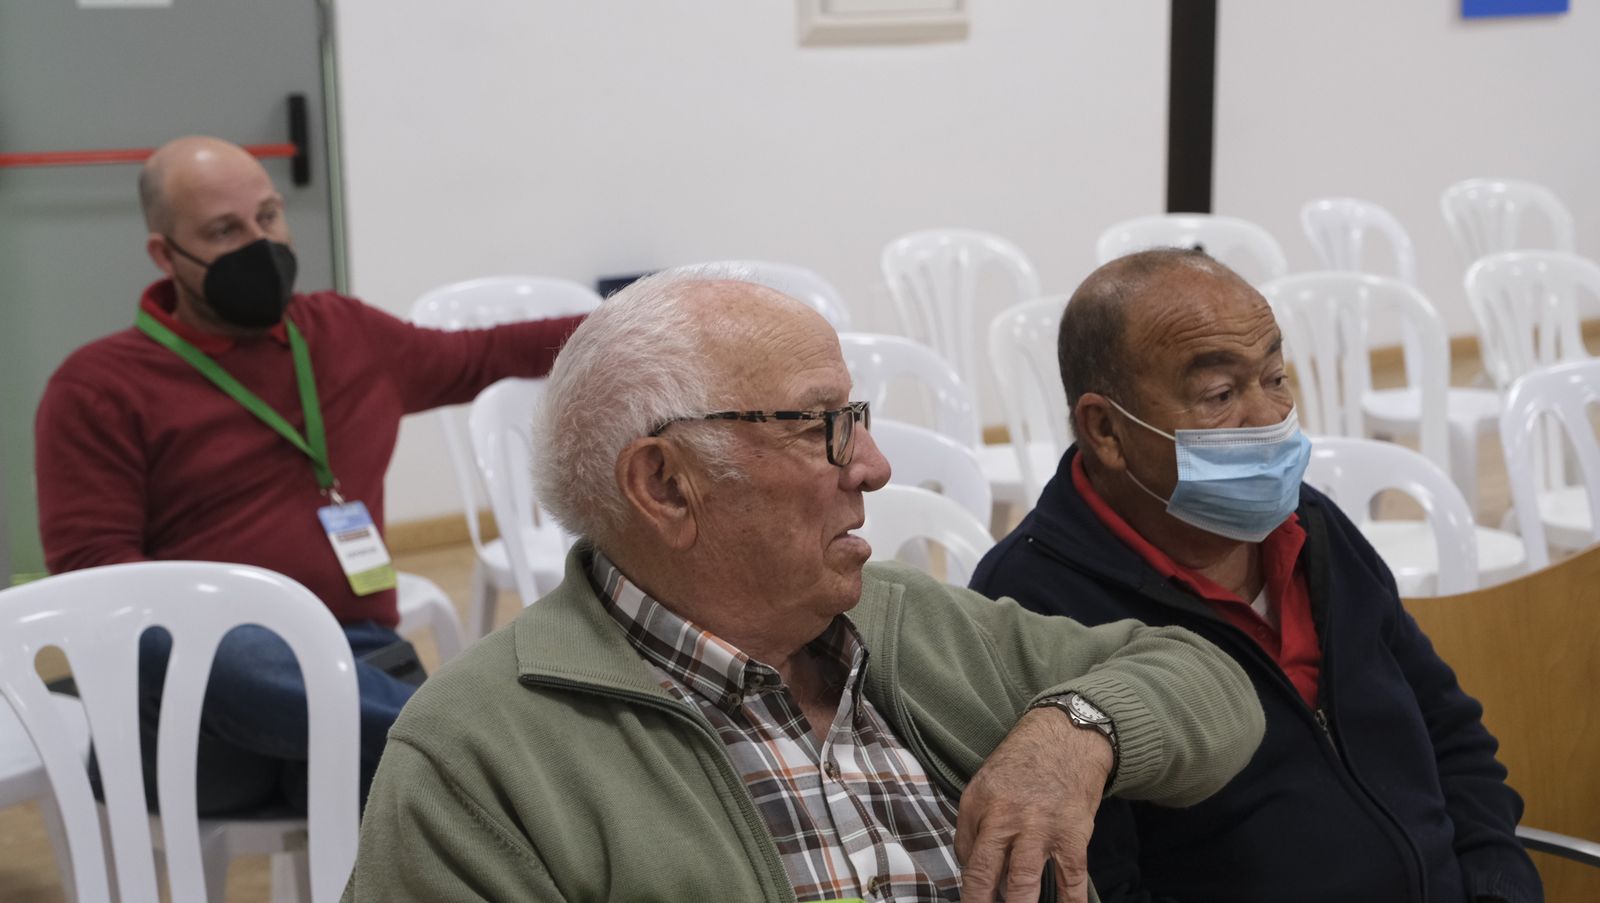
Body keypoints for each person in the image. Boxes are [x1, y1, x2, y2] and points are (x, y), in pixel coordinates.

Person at [343, 269, 1265, 903]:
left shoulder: (908, 619)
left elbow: (1210, 678)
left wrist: (1075, 729)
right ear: (665, 484)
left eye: (856, 416)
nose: (873, 463)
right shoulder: (478, 756)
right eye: (822, 425)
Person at [33, 135, 586, 814]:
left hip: (352, 657)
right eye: (224, 230)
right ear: (164, 254)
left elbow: (491, 352)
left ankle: (461, 749)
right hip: (192, 706)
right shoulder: (99, 386)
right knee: (234, 643)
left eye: (268, 216)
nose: (260, 242)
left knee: (412, 800)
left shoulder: (345, 336)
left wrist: (655, 313)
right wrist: (231, 619)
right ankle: (482, 745)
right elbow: (95, 579)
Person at [970, 248, 1541, 903]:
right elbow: (1088, 882)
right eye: (1220, 394)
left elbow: (1453, 737)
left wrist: (1499, 887)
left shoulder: (1309, 525)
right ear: (1106, 430)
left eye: (1275, 377)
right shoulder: (1028, 606)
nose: (1270, 418)